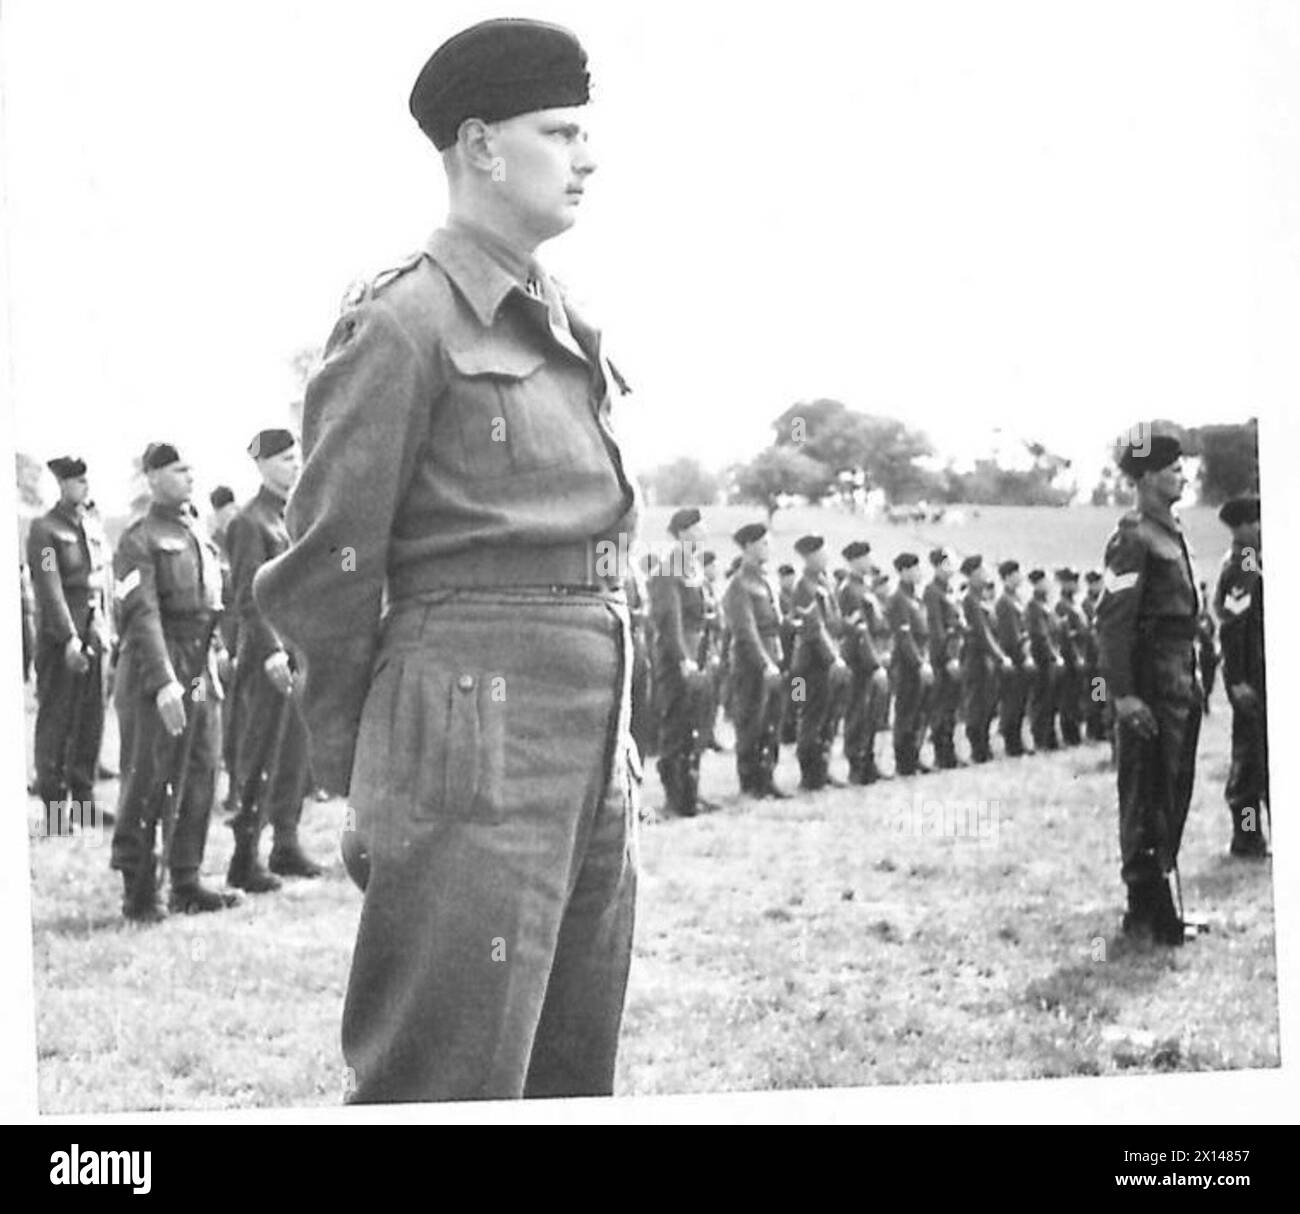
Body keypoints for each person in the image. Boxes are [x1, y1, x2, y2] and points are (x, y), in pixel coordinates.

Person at [253, 19, 639, 1103]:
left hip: (588, 736)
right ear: (478, 145)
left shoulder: (562, 318)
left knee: (570, 1072)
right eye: (560, 132)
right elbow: (327, 561)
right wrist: (365, 764)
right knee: (447, 1075)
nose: (587, 155)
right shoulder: (406, 318)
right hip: (468, 738)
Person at [109, 444, 236, 920]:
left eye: (190, 469)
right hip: (156, 667)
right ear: (153, 477)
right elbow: (141, 612)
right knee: (150, 775)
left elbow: (211, 602)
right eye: (179, 470)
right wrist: (164, 682)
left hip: (199, 666)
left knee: (202, 767)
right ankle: (140, 891)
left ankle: (187, 880)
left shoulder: (197, 532)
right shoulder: (138, 539)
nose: (190, 477)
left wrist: (218, 653)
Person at [1096, 425, 1204, 945]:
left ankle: (1164, 902)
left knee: (1174, 788)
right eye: (1172, 468)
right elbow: (1113, 619)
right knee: (1147, 791)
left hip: (1180, 672)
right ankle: (1146, 907)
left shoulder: (1171, 530)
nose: (1182, 475)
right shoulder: (1133, 537)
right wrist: (1124, 694)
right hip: (1151, 679)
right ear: (1144, 477)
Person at [225, 429, 323, 892]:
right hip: (269, 658)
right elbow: (247, 598)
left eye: (295, 457)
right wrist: (271, 651)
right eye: (283, 459)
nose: (293, 465)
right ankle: (245, 858)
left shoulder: (295, 515)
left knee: (294, 754)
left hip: (299, 652)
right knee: (260, 753)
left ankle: (286, 842)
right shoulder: (250, 522)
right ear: (262, 465)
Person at [26, 456, 112, 836]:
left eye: (86, 479)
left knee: (91, 720)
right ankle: (56, 813)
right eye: (76, 481)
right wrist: (68, 637)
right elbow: (48, 586)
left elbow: (103, 582)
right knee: (58, 720)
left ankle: (85, 806)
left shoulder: (93, 526)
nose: (84, 486)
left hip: (96, 629)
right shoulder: (44, 531)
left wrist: (109, 629)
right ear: (60, 485)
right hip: (63, 635)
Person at [648, 508, 717, 817]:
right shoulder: (668, 570)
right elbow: (669, 620)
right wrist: (683, 660)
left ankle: (691, 792)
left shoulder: (692, 567)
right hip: (678, 658)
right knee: (676, 725)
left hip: (699, 653)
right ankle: (675, 797)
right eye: (698, 529)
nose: (703, 533)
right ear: (684, 533)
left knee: (697, 725)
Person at [1214, 494, 1268, 858]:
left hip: (1258, 676)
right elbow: (1232, 626)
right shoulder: (1244, 564)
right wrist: (1236, 680)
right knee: (1250, 766)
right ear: (1246, 526)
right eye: (1259, 522)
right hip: (1250, 680)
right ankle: (1246, 838)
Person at [722, 523, 788, 798]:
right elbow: (745, 631)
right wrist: (765, 664)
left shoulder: (767, 581)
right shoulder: (738, 585)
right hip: (751, 663)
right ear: (748, 546)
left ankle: (767, 776)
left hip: (774, 656)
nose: (767, 548)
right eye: (762, 543)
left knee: (773, 720)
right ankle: (750, 781)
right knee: (752, 721)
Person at [790, 535, 848, 790]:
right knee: (809, 715)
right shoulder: (804, 586)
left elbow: (833, 622)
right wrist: (833, 657)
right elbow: (814, 627)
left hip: (824, 662)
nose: (826, 557)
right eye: (821, 553)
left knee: (828, 717)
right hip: (806, 666)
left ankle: (822, 768)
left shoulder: (824, 583)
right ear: (809, 557)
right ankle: (809, 774)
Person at [838, 542, 888, 784]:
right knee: (857, 712)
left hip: (871, 656)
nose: (869, 562)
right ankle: (856, 764)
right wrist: (874, 663)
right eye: (864, 558)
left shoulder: (864, 587)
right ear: (854, 561)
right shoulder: (849, 589)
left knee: (871, 713)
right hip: (858, 660)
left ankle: (868, 760)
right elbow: (860, 632)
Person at [959, 554, 1010, 763]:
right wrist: (1000, 657)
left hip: (986, 660)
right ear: (970, 576)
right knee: (976, 705)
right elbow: (982, 632)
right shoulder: (970, 599)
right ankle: (978, 748)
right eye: (980, 572)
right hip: (975, 659)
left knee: (987, 704)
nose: (984, 576)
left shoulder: (981, 599)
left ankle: (984, 745)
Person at [886, 552, 933, 776]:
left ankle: (914, 755)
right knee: (905, 712)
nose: (918, 572)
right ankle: (904, 762)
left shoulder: (916, 598)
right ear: (903, 571)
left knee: (918, 713)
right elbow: (904, 637)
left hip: (920, 660)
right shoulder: (898, 599)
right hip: (906, 665)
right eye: (913, 568)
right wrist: (919, 662)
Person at [923, 547, 966, 769]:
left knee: (951, 707)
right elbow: (937, 629)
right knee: (940, 707)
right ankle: (942, 754)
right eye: (949, 562)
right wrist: (948, 658)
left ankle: (950, 752)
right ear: (938, 566)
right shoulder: (932, 592)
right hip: (943, 659)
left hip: (955, 654)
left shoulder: (949, 590)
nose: (953, 566)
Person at [994, 560, 1034, 756]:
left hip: (1023, 658)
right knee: (1012, 703)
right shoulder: (1005, 602)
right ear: (1008, 576)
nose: (1020, 577)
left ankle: (1018, 740)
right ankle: (1012, 743)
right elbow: (1011, 634)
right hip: (1014, 659)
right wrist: (1022, 653)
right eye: (1016, 573)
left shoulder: (1016, 598)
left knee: (1020, 703)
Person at [1025, 569, 1063, 752]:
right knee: (1043, 701)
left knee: (1052, 700)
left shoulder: (1046, 604)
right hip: (1045, 661)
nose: (1048, 585)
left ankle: (1051, 737)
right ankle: (1042, 738)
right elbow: (1041, 635)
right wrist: (1054, 655)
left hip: (1059, 660)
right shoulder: (1034, 606)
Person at [1053, 567, 1088, 746]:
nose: (1075, 585)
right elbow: (1065, 635)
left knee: (1097, 692)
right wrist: (1076, 656)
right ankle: (1071, 734)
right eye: (1072, 581)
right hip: (1072, 659)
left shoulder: (1076, 604)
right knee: (1070, 698)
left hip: (1088, 656)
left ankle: (1093, 726)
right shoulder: (1062, 606)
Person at [1080, 569, 1108, 741]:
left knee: (1101, 693)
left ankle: (1100, 727)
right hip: (1093, 658)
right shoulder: (1087, 605)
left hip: (1101, 655)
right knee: (1096, 694)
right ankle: (1095, 729)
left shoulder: (1099, 602)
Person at [776, 563, 800, 745]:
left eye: (792, 577)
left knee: (799, 691)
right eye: (786, 577)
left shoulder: (796, 597)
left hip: (798, 652)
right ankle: (786, 730)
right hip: (786, 651)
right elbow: (783, 625)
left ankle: (794, 728)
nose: (790, 581)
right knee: (788, 694)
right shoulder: (780, 599)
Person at [1196, 581, 1219, 714]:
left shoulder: (1206, 618)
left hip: (1206, 652)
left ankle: (1205, 699)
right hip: (1203, 653)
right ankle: (1204, 700)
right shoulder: (1202, 618)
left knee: (1208, 680)